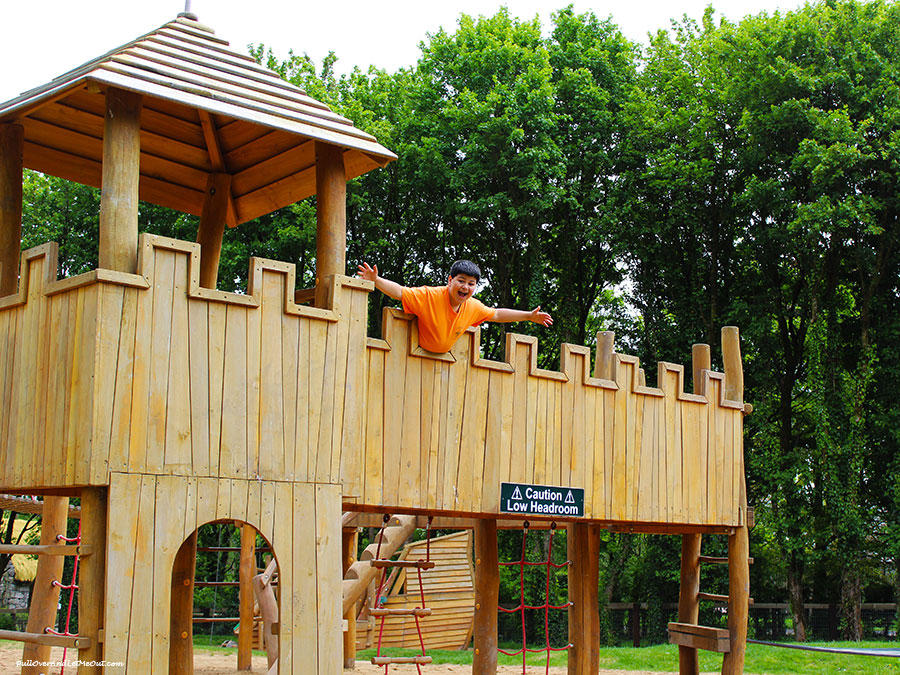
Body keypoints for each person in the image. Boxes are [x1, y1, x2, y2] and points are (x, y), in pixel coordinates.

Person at [357, 259, 552, 353]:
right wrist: (376, 280)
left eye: (471, 283)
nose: (465, 287)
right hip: (411, 354)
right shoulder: (429, 296)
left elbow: (497, 314)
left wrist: (528, 315)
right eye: (461, 281)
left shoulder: (473, 307)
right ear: (450, 281)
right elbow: (400, 292)